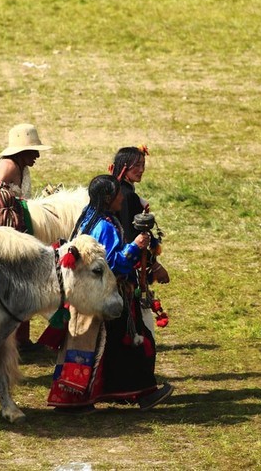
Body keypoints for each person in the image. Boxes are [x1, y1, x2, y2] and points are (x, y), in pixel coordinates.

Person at [44, 174, 174, 413]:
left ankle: (102, 395)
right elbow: (112, 264)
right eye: (118, 193)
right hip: (109, 295)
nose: (123, 196)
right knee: (135, 342)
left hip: (94, 295)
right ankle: (144, 394)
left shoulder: (89, 219)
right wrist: (136, 246)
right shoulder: (105, 225)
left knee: (107, 349)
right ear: (107, 198)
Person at [0, 123, 51, 351]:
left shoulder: (21, 168)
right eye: (33, 151)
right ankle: (14, 342)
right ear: (21, 152)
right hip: (7, 232)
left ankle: (20, 340)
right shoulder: (7, 167)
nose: (37, 156)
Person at [110, 146, 170, 332]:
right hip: (126, 265)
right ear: (124, 167)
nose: (142, 170)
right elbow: (132, 236)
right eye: (136, 165)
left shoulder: (120, 191)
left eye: (143, 165)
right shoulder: (127, 196)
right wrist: (155, 266)